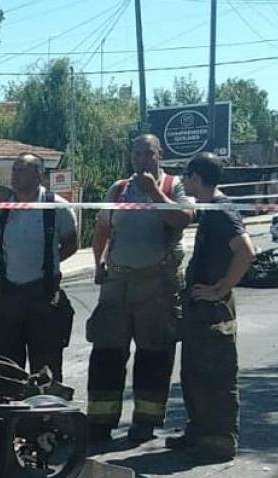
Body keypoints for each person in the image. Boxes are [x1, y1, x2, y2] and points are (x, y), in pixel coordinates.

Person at [86, 134, 196, 444]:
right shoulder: (119, 189)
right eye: (137, 153)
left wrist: (154, 193)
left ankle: (145, 423)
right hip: (117, 282)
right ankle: (101, 421)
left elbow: (183, 218)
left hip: (157, 284)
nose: (142, 159)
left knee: (154, 354)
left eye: (148, 153)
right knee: (106, 351)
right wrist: (98, 262)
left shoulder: (175, 185)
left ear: (160, 154)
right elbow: (103, 227)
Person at [166, 152, 256, 462]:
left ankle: (219, 441)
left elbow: (246, 251)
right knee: (194, 373)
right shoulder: (209, 209)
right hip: (199, 310)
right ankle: (200, 431)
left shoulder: (221, 211)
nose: (182, 180)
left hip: (213, 311)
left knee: (216, 375)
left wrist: (221, 288)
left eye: (186, 175)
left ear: (196, 177)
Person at [0, 154, 78, 381]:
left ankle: (46, 414)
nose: (15, 175)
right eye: (14, 170)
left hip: (43, 298)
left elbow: (71, 244)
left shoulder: (58, 208)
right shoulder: (1, 207)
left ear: (39, 174)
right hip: (8, 295)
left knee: (47, 369)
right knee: (5, 369)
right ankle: (8, 414)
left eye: (22, 170)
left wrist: (45, 266)